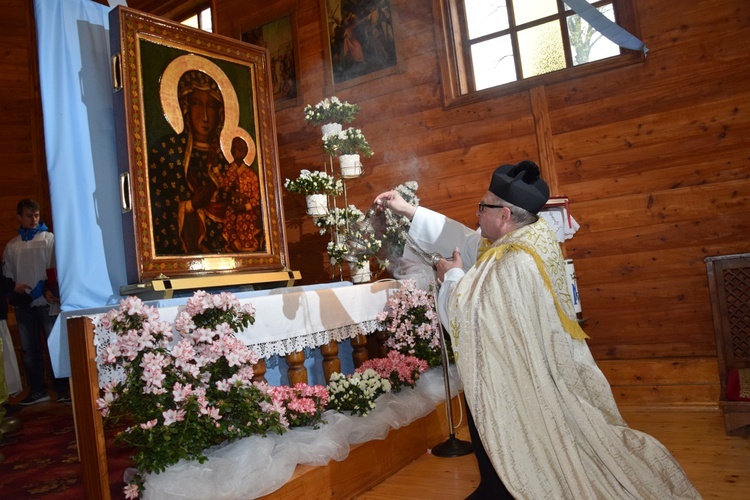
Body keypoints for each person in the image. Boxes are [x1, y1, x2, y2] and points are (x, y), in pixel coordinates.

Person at [374, 161, 700, 499]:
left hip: (523, 375)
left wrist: (451, 277)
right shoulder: (528, 236)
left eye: (482, 206)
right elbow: (465, 239)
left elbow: (468, 313)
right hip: (538, 362)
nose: (476, 213)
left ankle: (505, 488)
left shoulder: (514, 260)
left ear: (503, 216)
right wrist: (408, 210)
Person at [149, 70, 230, 255]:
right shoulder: (167, 150)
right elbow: (158, 210)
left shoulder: (226, 159)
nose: (204, 116)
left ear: (220, 112)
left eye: (210, 106)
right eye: (196, 104)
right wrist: (190, 205)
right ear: (185, 107)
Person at [2, 199, 69, 406]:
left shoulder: (49, 239)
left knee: (53, 345)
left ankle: (63, 389)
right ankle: (38, 390)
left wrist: (44, 287)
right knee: (30, 349)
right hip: (24, 304)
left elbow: (55, 267)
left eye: (36, 215)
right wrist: (16, 288)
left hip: (47, 300)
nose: (33, 220)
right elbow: (7, 274)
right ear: (20, 217)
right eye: (29, 216)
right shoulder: (12, 245)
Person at [219, 136, 264, 252]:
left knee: (244, 226)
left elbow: (256, 198)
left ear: (244, 153)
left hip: (247, 212)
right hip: (232, 209)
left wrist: (244, 207)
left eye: (238, 149)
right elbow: (224, 185)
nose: (235, 151)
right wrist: (215, 169)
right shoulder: (231, 170)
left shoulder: (251, 174)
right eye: (233, 148)